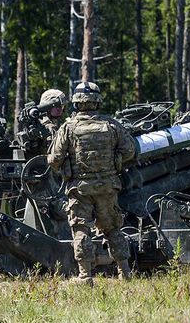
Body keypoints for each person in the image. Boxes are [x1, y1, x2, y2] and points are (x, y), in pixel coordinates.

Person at [48, 81, 136, 283]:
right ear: (97, 102)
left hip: (80, 189)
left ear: (76, 103)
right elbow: (130, 150)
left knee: (81, 230)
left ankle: (85, 276)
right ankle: (125, 273)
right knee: (113, 228)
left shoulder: (68, 128)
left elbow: (54, 160)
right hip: (107, 187)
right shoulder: (111, 125)